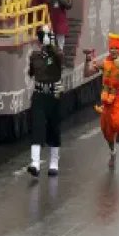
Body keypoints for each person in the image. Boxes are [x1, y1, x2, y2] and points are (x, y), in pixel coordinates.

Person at [86, 33, 119, 168]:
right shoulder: (104, 63)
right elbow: (87, 74)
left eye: (116, 48)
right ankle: (112, 152)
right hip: (106, 99)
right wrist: (87, 60)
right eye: (111, 48)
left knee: (118, 122)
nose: (113, 50)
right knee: (106, 131)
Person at [27, 25, 67, 177]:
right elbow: (31, 72)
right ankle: (35, 163)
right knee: (37, 127)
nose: (44, 40)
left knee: (53, 128)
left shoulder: (57, 55)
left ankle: (54, 163)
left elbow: (59, 58)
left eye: (46, 36)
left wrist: (51, 44)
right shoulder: (34, 56)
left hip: (54, 94)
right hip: (39, 93)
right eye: (42, 36)